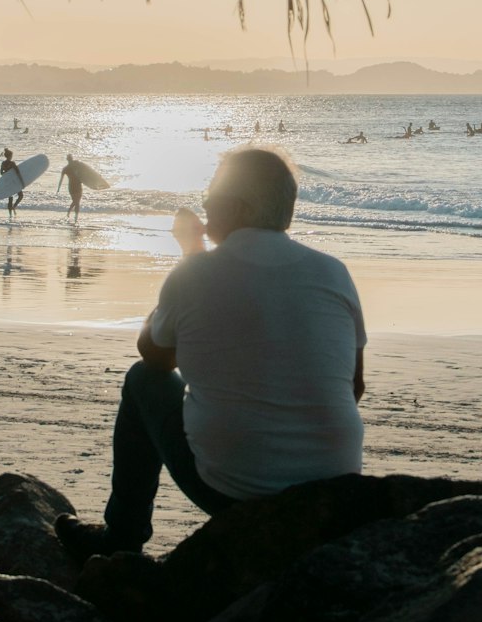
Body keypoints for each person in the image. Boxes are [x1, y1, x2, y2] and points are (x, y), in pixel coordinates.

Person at [55, 147, 366, 559]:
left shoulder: (196, 271)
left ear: (236, 207)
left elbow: (155, 356)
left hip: (238, 494)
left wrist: (189, 252)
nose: (202, 204)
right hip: (331, 493)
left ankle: (121, 539)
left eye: (210, 195)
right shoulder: (333, 272)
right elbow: (354, 387)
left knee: (141, 381)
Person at [0, 147, 24, 216]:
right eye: (11, 155)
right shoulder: (12, 163)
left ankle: (10, 214)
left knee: (10, 198)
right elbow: (17, 173)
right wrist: (22, 182)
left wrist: (6, 174)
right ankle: (14, 206)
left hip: (7, 182)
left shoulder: (3, 163)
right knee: (21, 195)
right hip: (14, 182)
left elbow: (1, 173)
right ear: (10, 156)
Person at [61, 153, 83, 225]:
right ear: (69, 159)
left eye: (70, 158)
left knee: (76, 202)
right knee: (76, 202)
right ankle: (74, 217)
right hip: (74, 186)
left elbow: (86, 171)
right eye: (70, 158)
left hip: (76, 186)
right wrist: (58, 188)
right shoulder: (67, 168)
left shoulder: (70, 167)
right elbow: (61, 179)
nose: (70, 159)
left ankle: (70, 214)